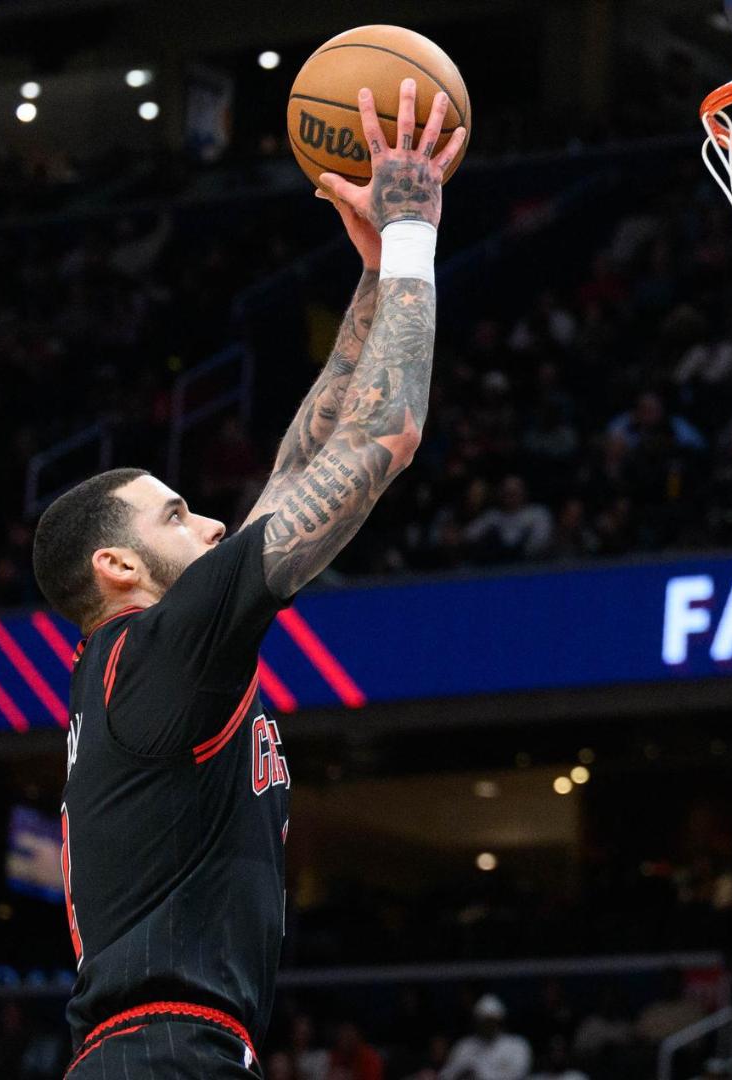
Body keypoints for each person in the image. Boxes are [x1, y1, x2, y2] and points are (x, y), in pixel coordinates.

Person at [32, 80, 464, 1076]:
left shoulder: (141, 665)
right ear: (118, 564)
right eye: (177, 514)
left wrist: (365, 282)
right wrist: (410, 234)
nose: (214, 519)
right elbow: (387, 435)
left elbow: (292, 475)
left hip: (160, 1052)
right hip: (163, 1055)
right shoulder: (157, 649)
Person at [441, 996, 533, 1080]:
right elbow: (447, 1074)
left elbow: (518, 1074)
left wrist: (478, 1075)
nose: (488, 1026)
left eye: (491, 1021)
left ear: (500, 1021)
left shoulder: (517, 1045)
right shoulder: (464, 1046)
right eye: (484, 1022)